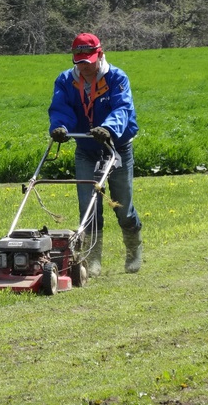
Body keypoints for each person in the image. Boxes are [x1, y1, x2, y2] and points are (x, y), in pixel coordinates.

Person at [48, 32, 143, 276]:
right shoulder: (66, 81)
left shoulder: (117, 78)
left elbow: (123, 108)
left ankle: (133, 252)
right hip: (86, 150)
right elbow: (61, 108)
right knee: (88, 207)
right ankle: (93, 260)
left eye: (88, 62)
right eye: (80, 62)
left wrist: (108, 128)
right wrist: (60, 127)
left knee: (123, 206)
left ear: (99, 55)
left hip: (116, 148)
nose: (84, 67)